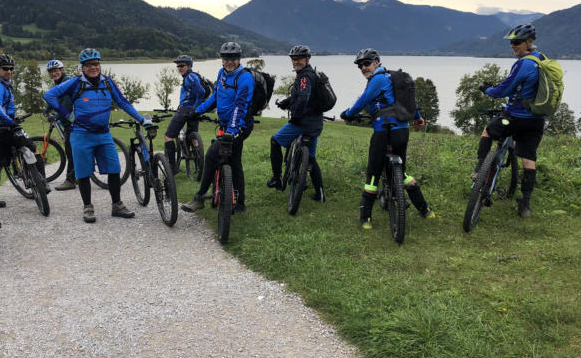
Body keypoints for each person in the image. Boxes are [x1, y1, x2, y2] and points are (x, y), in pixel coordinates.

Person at [44, 48, 150, 223]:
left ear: (99, 65)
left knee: (114, 169)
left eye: (95, 63)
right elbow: (49, 95)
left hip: (104, 135)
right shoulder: (75, 83)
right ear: (82, 67)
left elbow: (123, 102)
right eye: (88, 65)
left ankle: (117, 205)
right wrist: (66, 115)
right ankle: (88, 207)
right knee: (83, 173)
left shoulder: (107, 82)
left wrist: (141, 119)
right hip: (81, 135)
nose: (93, 67)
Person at [339, 48, 435, 230]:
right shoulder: (394, 79)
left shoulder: (378, 79)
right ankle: (425, 209)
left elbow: (364, 100)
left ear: (377, 62)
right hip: (402, 132)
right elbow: (410, 102)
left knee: (373, 175)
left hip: (383, 131)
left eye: (366, 63)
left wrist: (348, 114)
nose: (363, 68)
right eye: (360, 66)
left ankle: (366, 218)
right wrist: (418, 117)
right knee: (402, 172)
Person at [476, 24, 545, 218]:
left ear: (529, 42)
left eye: (517, 42)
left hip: (516, 117)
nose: (513, 45)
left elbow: (503, 90)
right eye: (511, 42)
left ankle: (479, 171)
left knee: (488, 131)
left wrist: (487, 89)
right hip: (536, 120)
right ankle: (525, 204)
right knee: (529, 160)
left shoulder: (524, 63)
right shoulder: (542, 60)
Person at [181, 41, 255, 214]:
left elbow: (240, 107)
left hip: (241, 125)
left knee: (211, 155)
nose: (229, 62)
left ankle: (199, 198)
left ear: (239, 59)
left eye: (233, 58)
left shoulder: (245, 78)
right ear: (222, 59)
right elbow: (215, 97)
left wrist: (231, 131)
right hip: (226, 125)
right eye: (226, 58)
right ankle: (240, 204)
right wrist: (197, 111)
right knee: (235, 162)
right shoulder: (222, 73)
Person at [0, 54, 47, 204]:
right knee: (33, 149)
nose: (9, 71)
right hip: (5, 128)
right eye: (5, 69)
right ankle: (42, 183)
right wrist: (10, 121)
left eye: (11, 69)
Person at [268, 45, 325, 201]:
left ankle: (277, 178)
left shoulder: (305, 77)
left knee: (274, 141)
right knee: (311, 158)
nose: (296, 61)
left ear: (307, 59)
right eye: (293, 59)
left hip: (302, 122)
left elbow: (304, 97)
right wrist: (287, 102)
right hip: (316, 124)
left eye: (299, 59)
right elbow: (302, 96)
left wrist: (295, 118)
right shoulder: (312, 74)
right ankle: (320, 193)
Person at [163, 55, 206, 173]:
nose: (180, 68)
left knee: (168, 136)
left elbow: (201, 92)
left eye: (182, 65)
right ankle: (198, 166)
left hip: (186, 109)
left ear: (189, 66)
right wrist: (196, 108)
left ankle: (172, 168)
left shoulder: (190, 77)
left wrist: (194, 107)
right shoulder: (192, 76)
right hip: (193, 111)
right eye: (178, 66)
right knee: (193, 137)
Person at [43, 59, 77, 190]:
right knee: (73, 149)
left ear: (62, 70)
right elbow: (55, 97)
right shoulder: (60, 83)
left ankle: (71, 180)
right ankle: (78, 176)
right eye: (51, 72)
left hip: (73, 122)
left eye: (56, 71)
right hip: (70, 121)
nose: (53, 73)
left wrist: (56, 116)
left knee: (70, 151)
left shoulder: (67, 83)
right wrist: (47, 108)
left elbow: (66, 105)